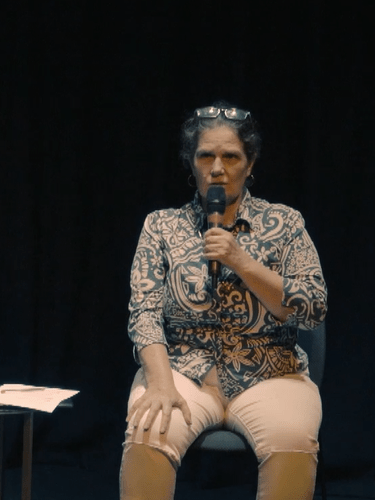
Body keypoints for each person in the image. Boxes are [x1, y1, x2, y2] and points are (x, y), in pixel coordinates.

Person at [120, 104, 327, 499]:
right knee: (148, 427)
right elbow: (144, 313)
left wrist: (241, 262)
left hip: (271, 371)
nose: (217, 167)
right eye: (205, 155)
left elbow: (313, 305)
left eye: (231, 156)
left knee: (291, 436)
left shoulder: (285, 223)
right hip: (184, 371)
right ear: (192, 164)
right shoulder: (161, 226)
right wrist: (161, 386)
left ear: (250, 165)